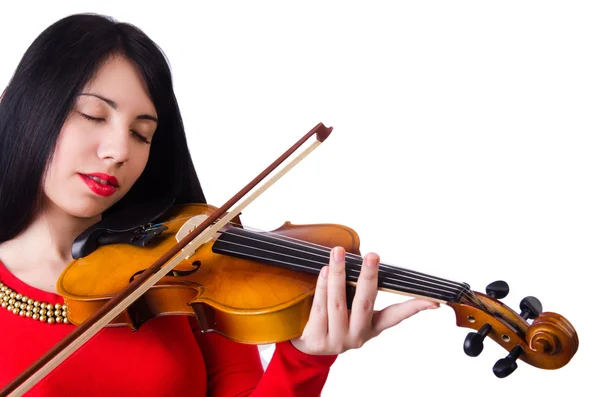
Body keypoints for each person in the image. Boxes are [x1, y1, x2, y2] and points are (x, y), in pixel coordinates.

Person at [0, 13, 439, 396]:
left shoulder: (184, 273)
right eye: (94, 115)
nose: (119, 150)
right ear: (34, 108)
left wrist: (305, 358)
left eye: (141, 133)